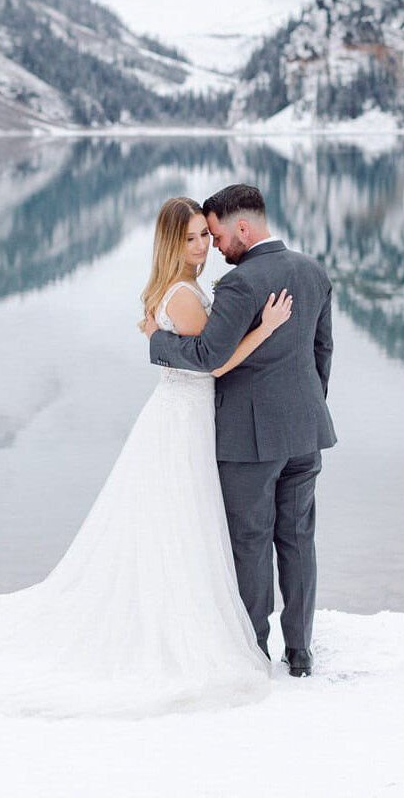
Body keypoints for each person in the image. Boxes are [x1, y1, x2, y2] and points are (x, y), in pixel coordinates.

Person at [0, 196, 292, 718]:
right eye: (191, 238)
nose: (201, 247)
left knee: (173, 519)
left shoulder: (179, 291)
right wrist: (263, 331)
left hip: (182, 414)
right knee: (181, 518)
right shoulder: (186, 297)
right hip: (185, 415)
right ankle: (175, 620)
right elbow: (212, 365)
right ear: (172, 244)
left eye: (204, 235)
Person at [145, 184, 336, 676]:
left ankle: (253, 650)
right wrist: (307, 410)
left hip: (249, 439)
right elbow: (322, 354)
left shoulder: (240, 285)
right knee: (297, 538)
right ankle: (300, 652)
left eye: (216, 234)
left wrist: (158, 340)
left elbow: (209, 358)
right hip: (304, 431)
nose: (215, 246)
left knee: (250, 542)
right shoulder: (314, 272)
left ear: (242, 229)